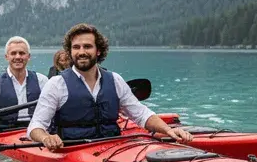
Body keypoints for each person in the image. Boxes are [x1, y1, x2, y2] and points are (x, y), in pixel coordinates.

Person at [27, 23, 194, 150]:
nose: (81, 51)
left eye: (87, 46)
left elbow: (141, 114)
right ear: (70, 52)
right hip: (73, 149)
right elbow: (35, 127)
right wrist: (45, 138)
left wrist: (168, 131)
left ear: (98, 51)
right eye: (76, 47)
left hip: (113, 147)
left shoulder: (115, 80)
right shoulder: (56, 84)